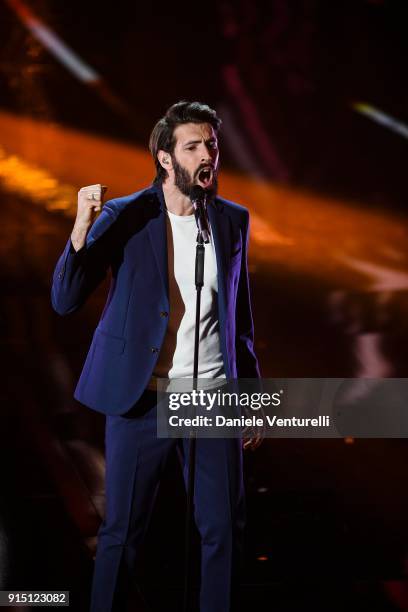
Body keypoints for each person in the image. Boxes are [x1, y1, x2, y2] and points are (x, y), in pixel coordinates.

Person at [51, 101, 260, 612]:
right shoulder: (128, 215)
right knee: (123, 533)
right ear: (166, 159)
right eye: (192, 146)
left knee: (223, 534)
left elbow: (239, 315)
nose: (207, 154)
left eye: (211, 144)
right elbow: (65, 297)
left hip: (211, 399)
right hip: (143, 399)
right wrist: (81, 226)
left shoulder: (233, 221)